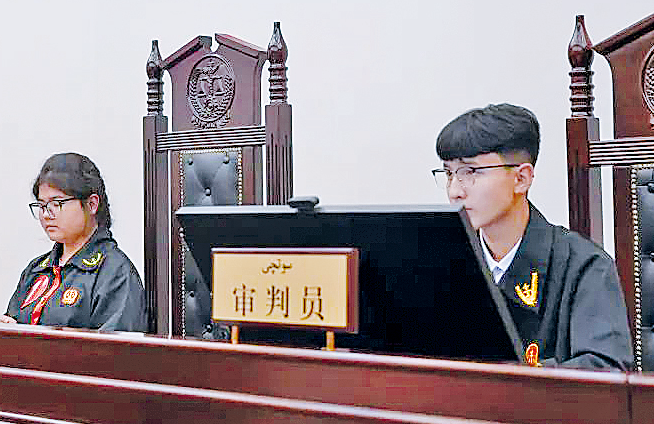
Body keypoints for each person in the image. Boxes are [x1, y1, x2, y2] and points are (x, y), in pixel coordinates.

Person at [433, 103, 632, 370]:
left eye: (470, 172)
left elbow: (606, 370)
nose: (454, 191)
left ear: (521, 178)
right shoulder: (444, 261)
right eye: (448, 173)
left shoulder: (584, 266)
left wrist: (506, 380)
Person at [1, 153, 147, 332]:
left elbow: (115, 347)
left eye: (57, 203)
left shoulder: (114, 273)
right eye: (42, 205)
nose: (46, 214)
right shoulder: (36, 269)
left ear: (92, 204)